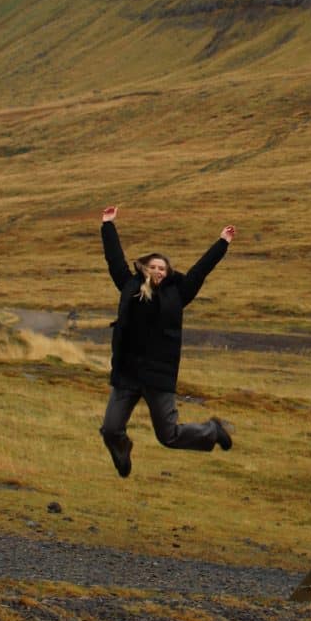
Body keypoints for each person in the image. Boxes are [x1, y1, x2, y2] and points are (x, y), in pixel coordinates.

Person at [98, 204, 236, 478]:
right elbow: (114, 259)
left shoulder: (178, 294)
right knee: (110, 429)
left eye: (162, 268)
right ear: (144, 268)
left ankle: (212, 431)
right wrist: (108, 224)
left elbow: (199, 271)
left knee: (169, 435)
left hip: (158, 374)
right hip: (127, 371)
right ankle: (122, 449)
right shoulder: (129, 286)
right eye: (153, 267)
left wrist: (222, 242)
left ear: (168, 272)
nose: (158, 271)